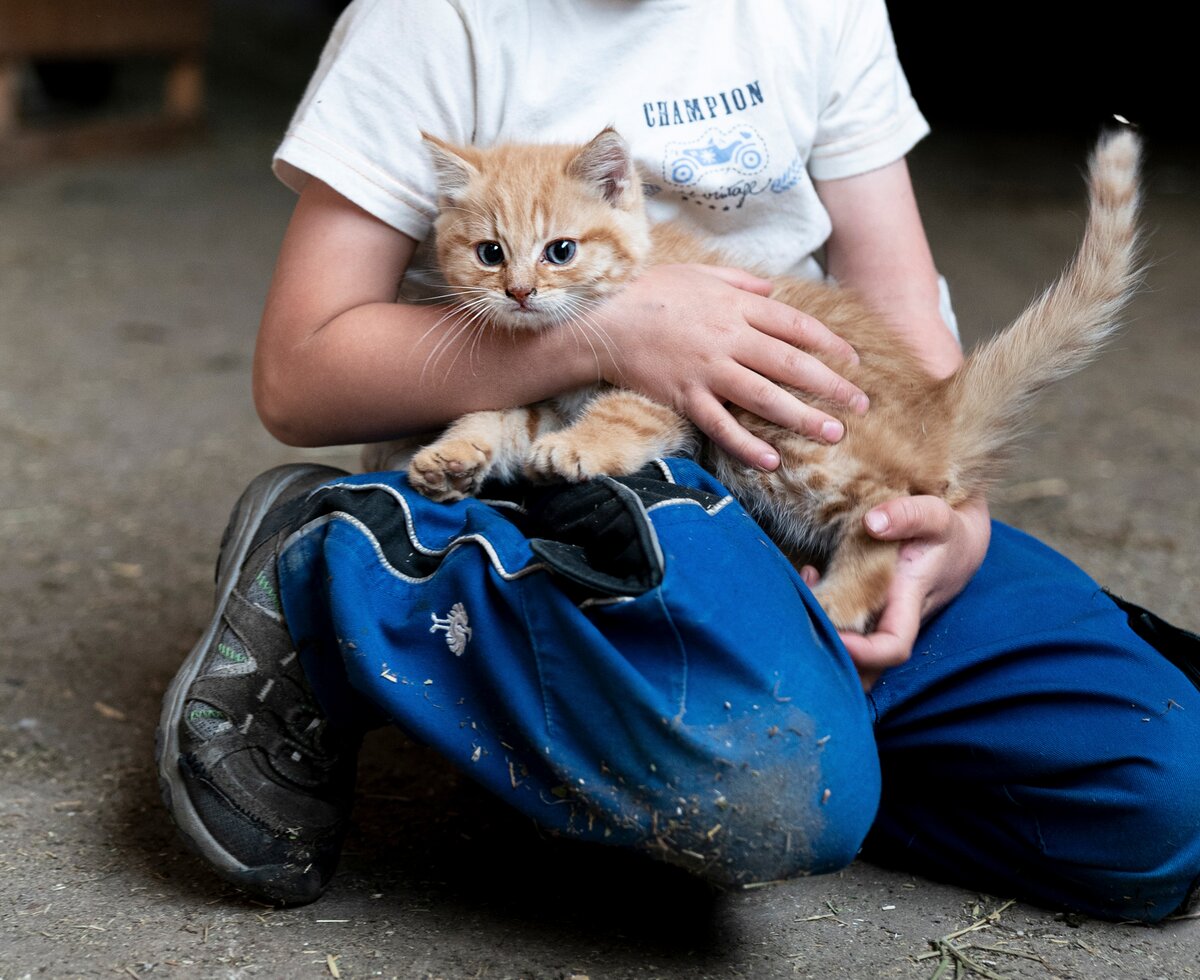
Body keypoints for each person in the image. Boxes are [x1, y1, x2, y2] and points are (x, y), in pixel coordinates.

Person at [157, 0, 1200, 918]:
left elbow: (910, 338)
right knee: (768, 797)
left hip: (810, 481)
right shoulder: (435, 17)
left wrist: (947, 517)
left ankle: (696, 746)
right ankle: (346, 564)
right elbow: (297, 373)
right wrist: (607, 333)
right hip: (585, 484)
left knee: (1165, 801)